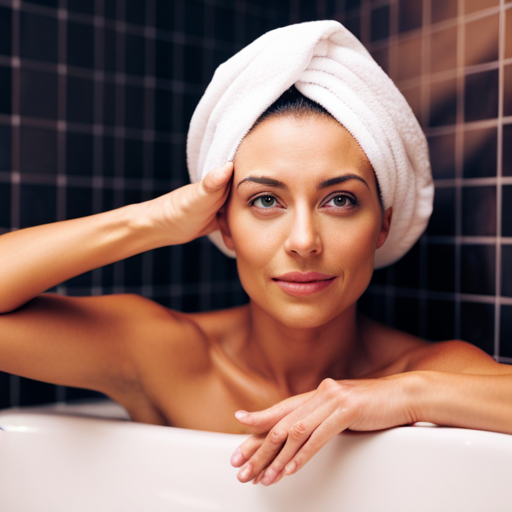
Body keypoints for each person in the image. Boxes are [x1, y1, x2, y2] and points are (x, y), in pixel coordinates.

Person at [0, 21, 511, 490]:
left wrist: (402, 396)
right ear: (223, 222)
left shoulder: (425, 373)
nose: (304, 240)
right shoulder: (167, 356)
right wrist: (151, 221)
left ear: (382, 222)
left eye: (340, 200)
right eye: (266, 201)